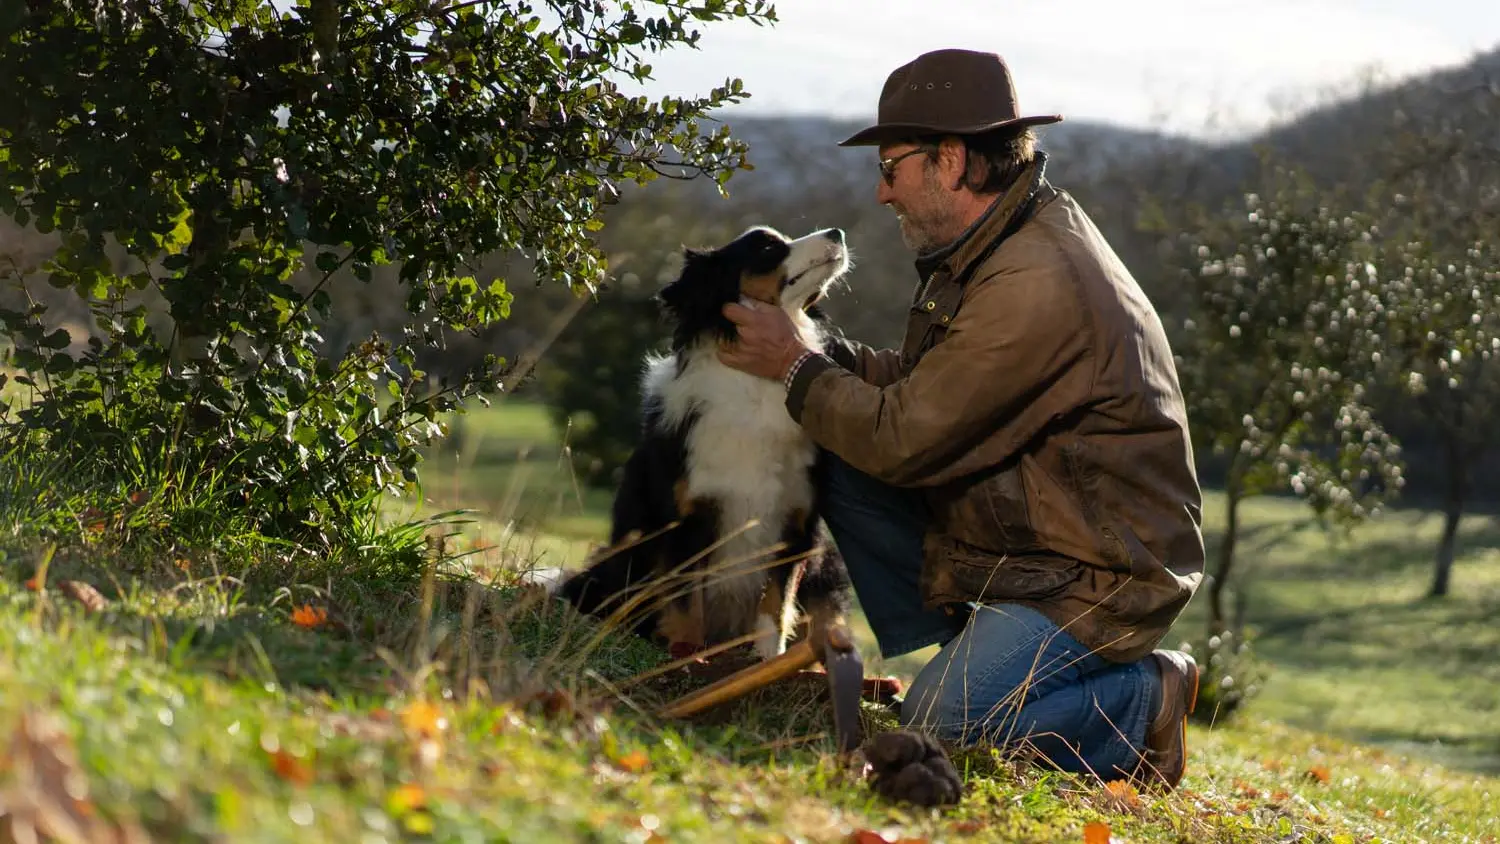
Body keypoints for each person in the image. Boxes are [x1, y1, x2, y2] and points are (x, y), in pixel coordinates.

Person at [716, 47, 1206, 791]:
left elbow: (905, 439)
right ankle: (973, 656)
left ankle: (1144, 701)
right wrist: (819, 351)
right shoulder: (993, 246)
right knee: (831, 434)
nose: (882, 195)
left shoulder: (1034, 280)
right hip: (1028, 546)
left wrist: (794, 364)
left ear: (949, 161)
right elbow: (924, 391)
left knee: (943, 731)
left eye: (890, 169)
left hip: (1094, 576)